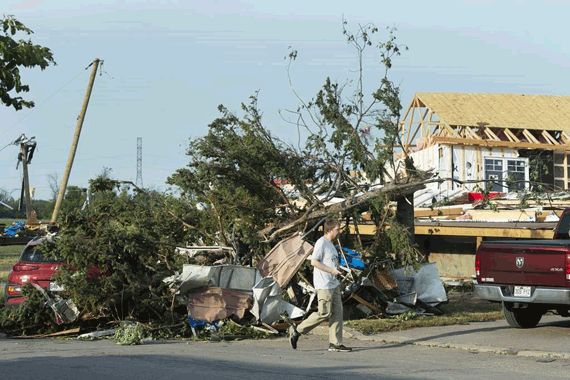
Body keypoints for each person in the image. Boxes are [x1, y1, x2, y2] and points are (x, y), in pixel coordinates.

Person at [289, 219, 352, 352]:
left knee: (337, 313)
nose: (339, 232)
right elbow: (314, 262)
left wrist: (337, 271)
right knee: (324, 313)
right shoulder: (321, 243)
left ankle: (335, 343)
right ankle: (297, 330)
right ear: (329, 230)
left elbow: (330, 263)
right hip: (324, 285)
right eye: (337, 229)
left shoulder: (331, 245)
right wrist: (331, 271)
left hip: (333, 284)